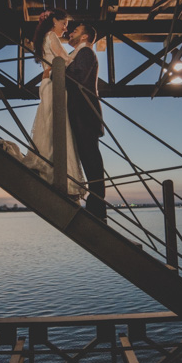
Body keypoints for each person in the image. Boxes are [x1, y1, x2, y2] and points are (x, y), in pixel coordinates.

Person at [22, 9, 86, 198]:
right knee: (59, 125)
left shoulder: (44, 38)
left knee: (49, 123)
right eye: (64, 23)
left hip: (47, 82)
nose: (66, 28)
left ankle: (49, 168)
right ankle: (61, 177)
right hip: (54, 83)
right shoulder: (51, 36)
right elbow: (64, 60)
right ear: (54, 21)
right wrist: (81, 49)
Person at [65, 22, 106, 220]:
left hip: (85, 114)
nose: (71, 32)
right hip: (81, 114)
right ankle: (96, 206)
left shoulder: (86, 53)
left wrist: (57, 71)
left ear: (84, 37)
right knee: (89, 160)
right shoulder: (78, 54)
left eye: (75, 30)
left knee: (91, 161)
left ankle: (97, 208)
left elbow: (77, 77)